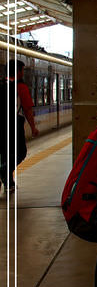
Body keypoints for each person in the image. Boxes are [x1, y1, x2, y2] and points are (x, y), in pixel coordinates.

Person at [0, 59, 39, 194]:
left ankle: (8, 183)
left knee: (5, 154)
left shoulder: (1, 84)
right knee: (20, 152)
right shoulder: (20, 87)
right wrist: (33, 127)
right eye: (22, 70)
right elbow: (27, 109)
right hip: (14, 125)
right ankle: (4, 171)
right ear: (18, 71)